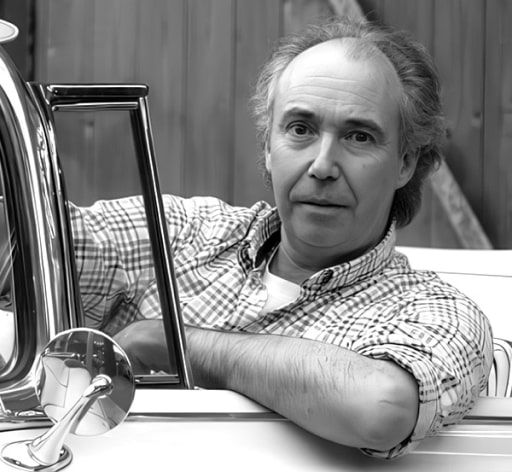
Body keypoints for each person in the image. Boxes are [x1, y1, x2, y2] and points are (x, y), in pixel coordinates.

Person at [68, 17, 493, 459]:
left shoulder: (438, 313)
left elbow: (383, 409)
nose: (322, 165)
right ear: (269, 147)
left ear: (405, 163)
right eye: (300, 129)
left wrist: (173, 344)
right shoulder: (180, 232)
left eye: (359, 136)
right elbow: (37, 246)